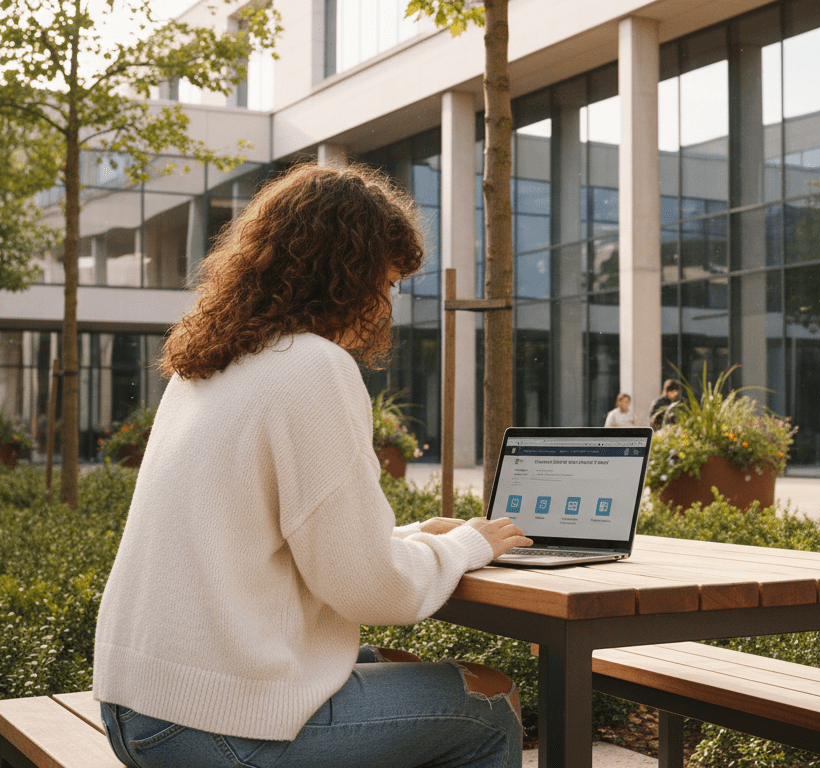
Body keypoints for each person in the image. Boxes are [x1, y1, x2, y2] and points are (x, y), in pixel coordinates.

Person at [93, 163, 532, 768]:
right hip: (215, 730)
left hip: (135, 708)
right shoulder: (312, 366)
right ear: (348, 273)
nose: (387, 303)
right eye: (388, 281)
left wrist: (412, 538)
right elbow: (370, 590)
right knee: (489, 703)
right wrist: (467, 546)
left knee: (399, 670)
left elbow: (277, 546)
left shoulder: (210, 365)